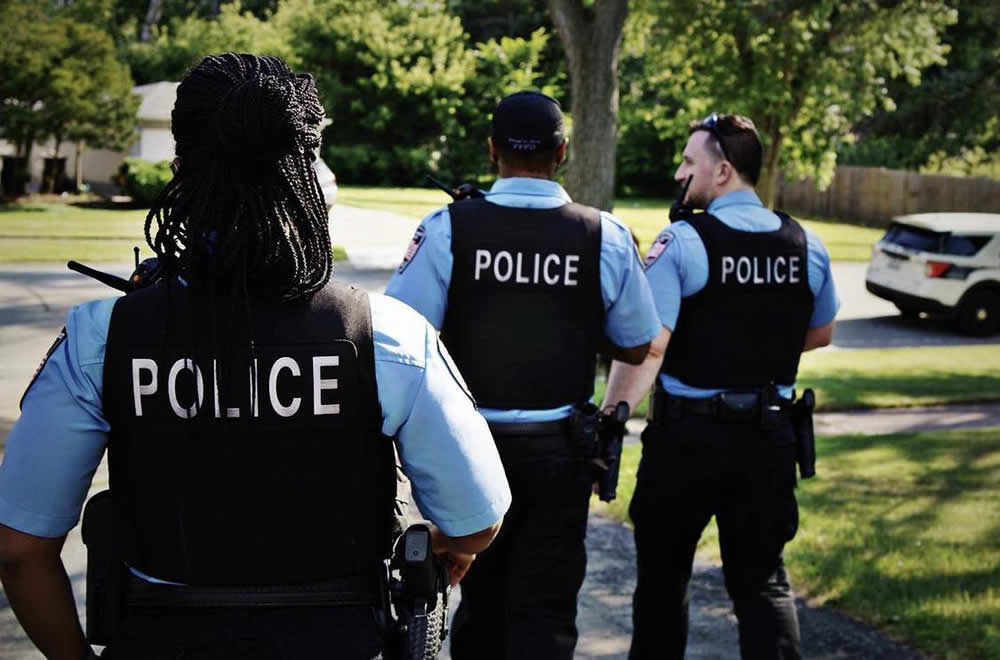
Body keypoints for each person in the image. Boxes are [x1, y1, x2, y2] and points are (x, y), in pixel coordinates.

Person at [0, 53, 511, 660]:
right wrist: (447, 543)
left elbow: (20, 548)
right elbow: (476, 521)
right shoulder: (387, 335)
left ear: (180, 164)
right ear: (309, 169)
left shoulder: (102, 336)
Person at [385, 90, 661, 660]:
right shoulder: (604, 235)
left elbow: (404, 334)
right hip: (560, 451)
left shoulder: (447, 228)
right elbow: (638, 346)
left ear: (492, 151)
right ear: (562, 151)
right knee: (548, 607)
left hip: (471, 444)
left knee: (479, 603)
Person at [602, 113, 839, 660]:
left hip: (689, 444)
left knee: (663, 586)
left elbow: (650, 345)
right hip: (770, 439)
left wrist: (611, 417)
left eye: (690, 162)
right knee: (764, 585)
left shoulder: (684, 241)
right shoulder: (807, 243)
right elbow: (820, 332)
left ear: (724, 171)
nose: (680, 172)